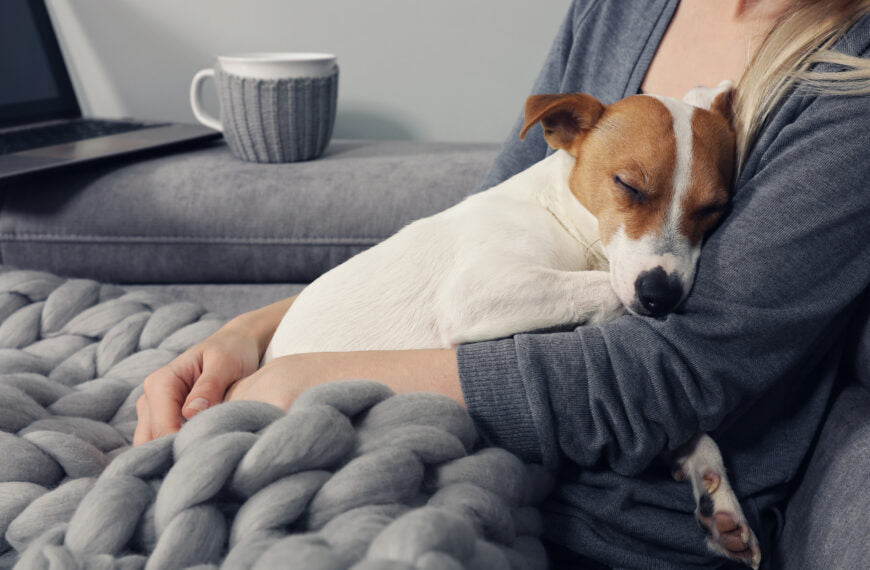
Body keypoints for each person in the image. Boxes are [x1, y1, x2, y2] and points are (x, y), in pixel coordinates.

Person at [134, 1, 870, 567]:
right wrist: (251, 335)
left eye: (706, 211)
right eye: (632, 192)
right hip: (414, 445)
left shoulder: (849, 80)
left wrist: (311, 378)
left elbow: (670, 377)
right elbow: (475, 232)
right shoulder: (624, 9)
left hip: (596, 526)